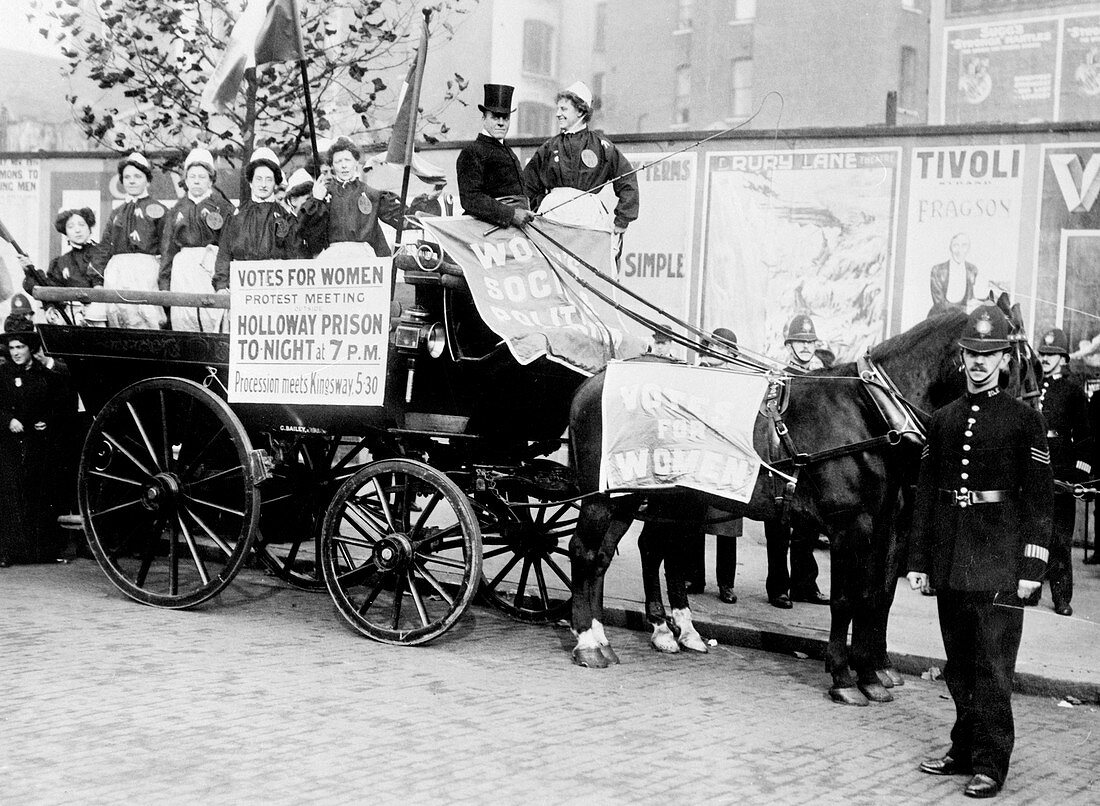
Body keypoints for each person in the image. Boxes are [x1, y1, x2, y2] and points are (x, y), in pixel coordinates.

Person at [907, 304, 1053, 800]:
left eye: (989, 355)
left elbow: (1039, 500)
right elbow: (927, 493)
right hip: (952, 559)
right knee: (959, 664)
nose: (979, 364)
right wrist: (919, 561)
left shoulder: (1024, 421)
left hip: (1001, 563)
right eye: (971, 354)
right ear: (961, 357)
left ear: (1005, 360)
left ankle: (991, 763)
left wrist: (1033, 565)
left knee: (993, 669)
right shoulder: (943, 420)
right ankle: (963, 748)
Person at [522, 81, 639, 246]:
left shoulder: (601, 145)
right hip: (552, 218)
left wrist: (622, 220)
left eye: (563, 109)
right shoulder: (549, 147)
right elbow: (528, 184)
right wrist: (542, 205)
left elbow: (627, 179)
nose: (557, 114)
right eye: (557, 109)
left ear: (580, 111)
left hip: (587, 219)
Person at [764, 314, 829, 608]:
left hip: (812, 460)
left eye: (810, 342)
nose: (805, 347)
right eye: (800, 342)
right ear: (790, 344)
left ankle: (805, 584)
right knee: (778, 524)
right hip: (783, 458)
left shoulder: (822, 374)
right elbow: (769, 415)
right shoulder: (779, 375)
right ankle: (778, 586)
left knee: (808, 528)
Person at [684, 327, 743, 604]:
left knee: (726, 524)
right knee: (695, 519)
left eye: (721, 349)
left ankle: (726, 584)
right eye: (710, 347)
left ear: (731, 353)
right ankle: (695, 576)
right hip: (701, 454)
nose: (715, 352)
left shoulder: (739, 378)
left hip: (728, 457)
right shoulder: (698, 375)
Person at [1035, 328, 1090, 617]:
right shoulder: (1033, 385)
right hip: (1035, 468)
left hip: (1062, 470)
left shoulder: (1072, 391)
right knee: (1033, 533)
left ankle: (1061, 598)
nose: (1045, 359)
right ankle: (1030, 591)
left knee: (1059, 539)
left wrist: (1080, 474)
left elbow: (1084, 436)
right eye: (1043, 354)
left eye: (1052, 355)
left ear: (1063, 359)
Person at [0, 326, 64, 567]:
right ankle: (7, 551)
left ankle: (39, 551)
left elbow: (57, 405)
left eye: (20, 347)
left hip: (36, 443)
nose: (16, 352)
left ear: (30, 349)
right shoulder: (2, 374)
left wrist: (46, 421)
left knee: (37, 494)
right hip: (8, 444)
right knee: (10, 496)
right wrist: (7, 420)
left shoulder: (44, 375)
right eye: (12, 348)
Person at [159, 147, 236, 332]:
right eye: (192, 176)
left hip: (211, 267)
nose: (196, 181)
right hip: (183, 268)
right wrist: (164, 284)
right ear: (185, 179)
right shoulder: (176, 209)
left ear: (211, 179)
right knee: (184, 317)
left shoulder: (223, 207)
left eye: (202, 177)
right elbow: (167, 249)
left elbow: (229, 246)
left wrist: (223, 281)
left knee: (212, 316)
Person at [90, 152, 167, 329]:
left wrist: (164, 282)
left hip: (146, 272)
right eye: (127, 177)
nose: (132, 181)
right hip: (117, 272)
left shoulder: (159, 209)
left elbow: (166, 247)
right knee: (118, 317)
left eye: (137, 176)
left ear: (147, 180)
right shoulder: (117, 213)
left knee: (147, 319)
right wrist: (96, 279)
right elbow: (105, 246)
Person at [213, 148, 303, 293]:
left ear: (275, 184)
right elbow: (224, 254)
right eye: (258, 179)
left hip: (276, 288)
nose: (263, 185)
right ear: (250, 182)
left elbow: (295, 255)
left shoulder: (285, 217)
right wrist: (221, 285)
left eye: (269, 179)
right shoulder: (236, 216)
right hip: (242, 288)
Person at [455, 84, 535, 230]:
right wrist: (511, 214)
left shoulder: (507, 151)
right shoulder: (472, 152)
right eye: (495, 117)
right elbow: (471, 198)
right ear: (484, 118)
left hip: (512, 230)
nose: (501, 123)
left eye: (505, 118)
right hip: (488, 231)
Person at [298, 137, 391, 260]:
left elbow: (398, 216)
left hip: (363, 257)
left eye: (347, 160)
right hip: (333, 257)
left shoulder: (370, 192)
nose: (343, 166)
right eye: (338, 161)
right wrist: (316, 200)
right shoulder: (324, 193)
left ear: (356, 162)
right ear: (332, 165)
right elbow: (303, 227)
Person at [928, 232, 978, 318]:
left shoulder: (972, 269)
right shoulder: (937, 270)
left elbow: (971, 300)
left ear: (968, 248)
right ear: (950, 248)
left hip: (964, 319)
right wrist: (965, 310)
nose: (960, 250)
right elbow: (939, 304)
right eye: (956, 245)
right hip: (940, 319)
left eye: (964, 245)